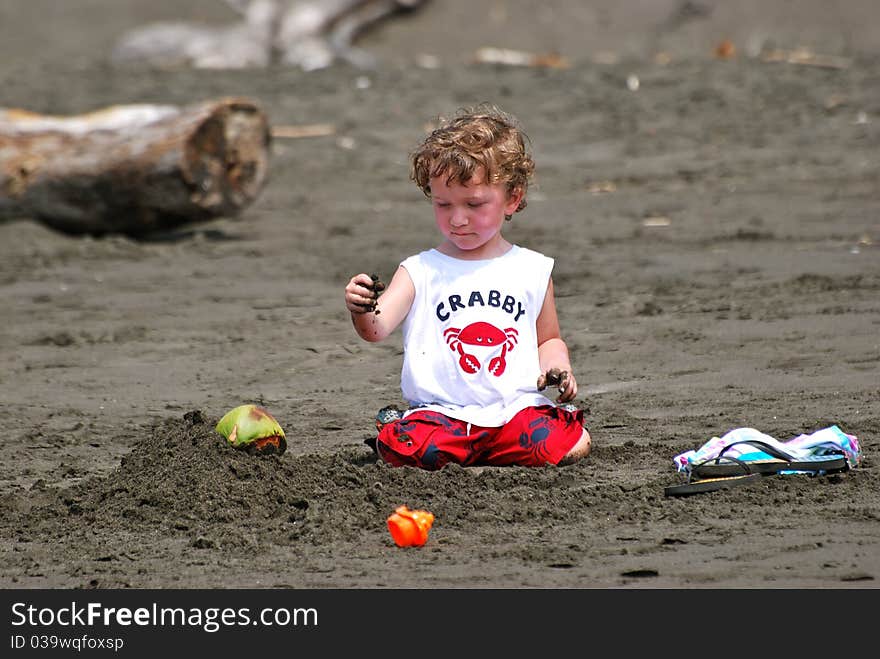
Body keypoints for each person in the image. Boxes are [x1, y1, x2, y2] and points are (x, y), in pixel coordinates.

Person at [343, 104, 592, 470]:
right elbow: (376, 329)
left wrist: (559, 369)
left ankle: (520, 435)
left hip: (514, 412)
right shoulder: (420, 270)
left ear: (513, 198)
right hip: (443, 414)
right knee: (411, 449)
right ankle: (397, 424)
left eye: (474, 204)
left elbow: (548, 340)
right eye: (443, 204)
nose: (457, 219)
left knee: (570, 443)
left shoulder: (532, 269)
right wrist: (361, 306)